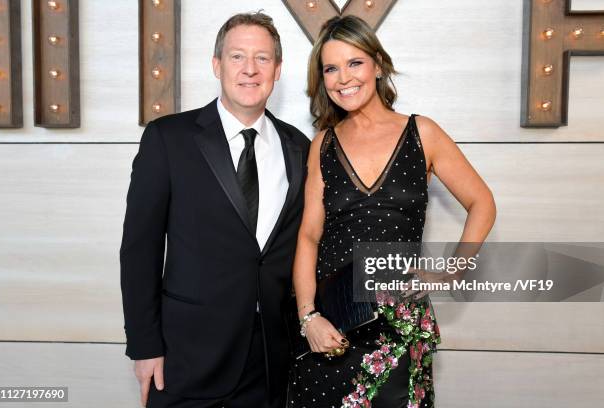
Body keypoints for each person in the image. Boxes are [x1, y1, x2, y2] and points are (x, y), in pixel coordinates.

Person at [289, 15, 496, 407]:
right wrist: (308, 317)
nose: (343, 78)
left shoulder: (423, 133)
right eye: (331, 68)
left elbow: (481, 201)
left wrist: (454, 270)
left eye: (355, 63)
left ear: (378, 65)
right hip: (333, 323)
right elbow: (309, 236)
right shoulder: (324, 144)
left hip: (399, 323)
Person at [120, 11, 310, 408]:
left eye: (262, 58)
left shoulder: (299, 147)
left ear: (277, 70)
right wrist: (144, 345)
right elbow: (140, 250)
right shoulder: (168, 139)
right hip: (186, 356)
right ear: (216, 64)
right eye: (237, 56)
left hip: (271, 361)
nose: (250, 69)